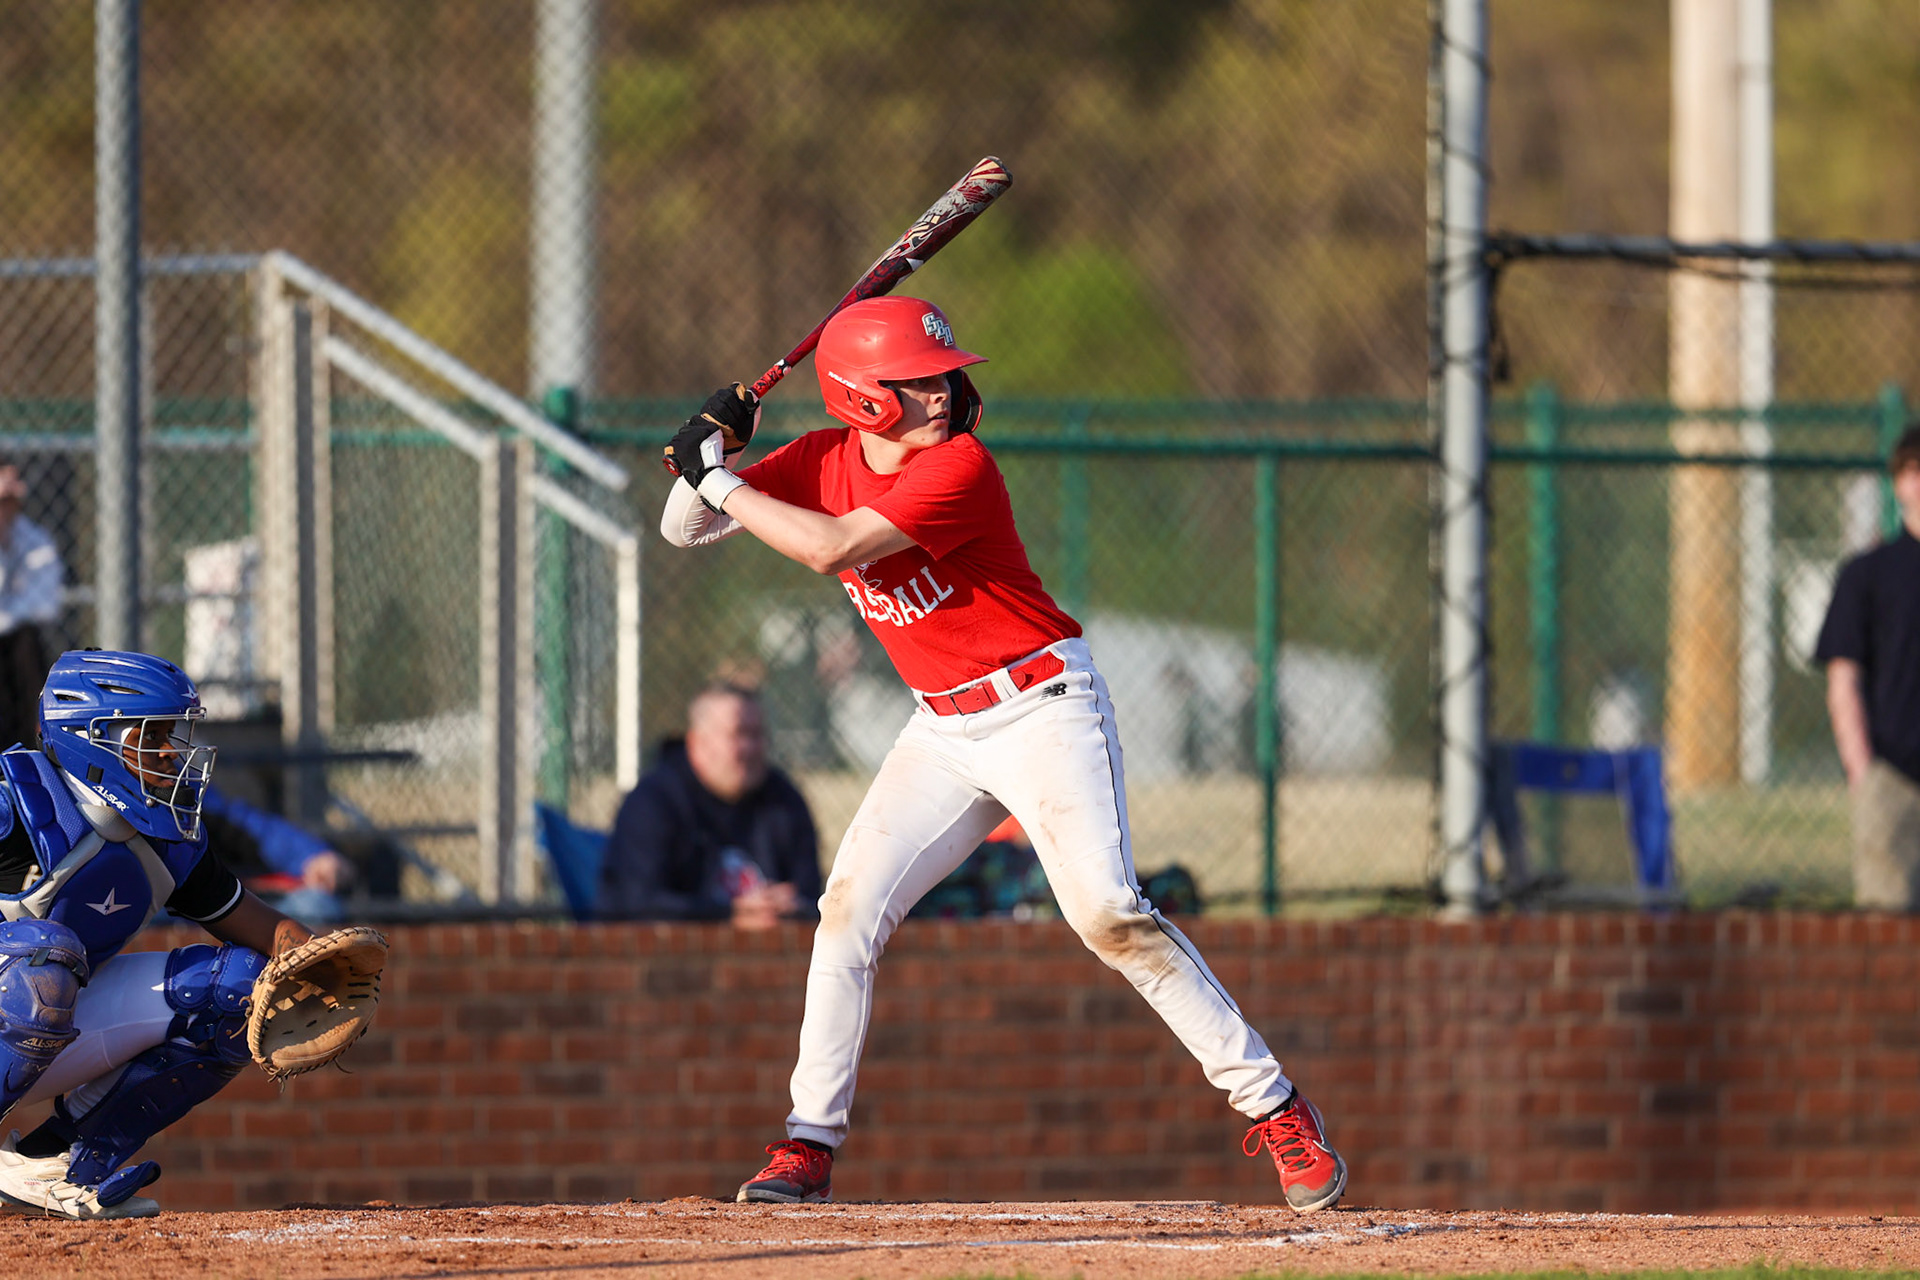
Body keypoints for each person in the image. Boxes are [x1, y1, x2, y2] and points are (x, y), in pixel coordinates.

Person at [658, 296, 1345, 1213]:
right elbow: (685, 527)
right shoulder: (820, 460)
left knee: (1109, 914)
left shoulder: (961, 467)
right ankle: (805, 1146)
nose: (944, 392)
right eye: (916, 382)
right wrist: (717, 451)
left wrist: (717, 474)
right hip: (941, 727)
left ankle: (1278, 1107)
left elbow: (831, 550)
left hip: (1042, 705)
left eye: (943, 375)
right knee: (846, 913)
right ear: (861, 400)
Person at [0, 649, 329, 1219]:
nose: (173, 757)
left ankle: (59, 1165)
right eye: (152, 739)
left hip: (37, 1022)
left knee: (240, 990)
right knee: (43, 959)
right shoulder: (15, 808)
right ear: (91, 739)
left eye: (175, 738)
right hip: (25, 993)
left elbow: (264, 929)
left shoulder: (166, 841)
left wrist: (324, 968)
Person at [596, 683, 821, 929]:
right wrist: (729, 916)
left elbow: (810, 892)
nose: (749, 749)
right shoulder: (651, 803)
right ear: (696, 742)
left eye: (757, 735)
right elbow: (635, 904)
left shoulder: (784, 801)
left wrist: (792, 908)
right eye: (737, 734)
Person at [1815, 425, 1920, 910]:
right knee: (1889, 939)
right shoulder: (1867, 576)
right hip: (1893, 783)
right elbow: (1844, 682)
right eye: (1913, 471)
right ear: (1899, 483)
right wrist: (1865, 776)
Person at [199, 784, 355, 925]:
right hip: (193, 919)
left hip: (243, 900)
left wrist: (314, 857)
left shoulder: (194, 792)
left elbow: (249, 826)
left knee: (318, 907)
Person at [0, 465, 64, 755]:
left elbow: (45, 604)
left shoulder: (33, 538)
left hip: (14, 642)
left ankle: (28, 747)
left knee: (25, 643)